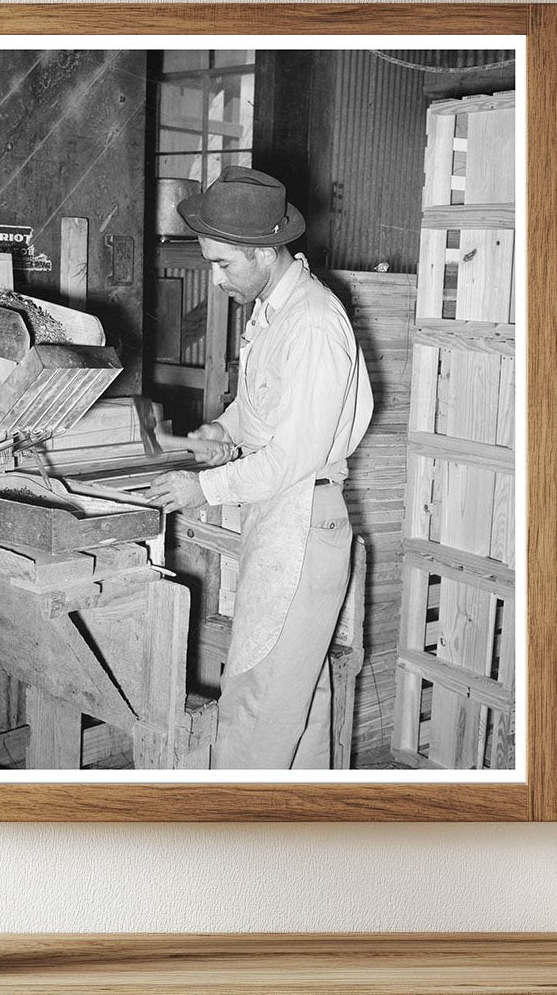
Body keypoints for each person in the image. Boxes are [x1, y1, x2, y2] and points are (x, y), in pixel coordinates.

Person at [145, 166, 373, 770]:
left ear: (264, 252)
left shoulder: (315, 322)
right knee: (300, 705)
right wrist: (223, 431)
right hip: (279, 519)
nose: (217, 281)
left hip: (303, 519)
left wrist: (202, 487)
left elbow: (295, 456)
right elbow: (261, 412)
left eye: (223, 265)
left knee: (254, 707)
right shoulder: (273, 311)